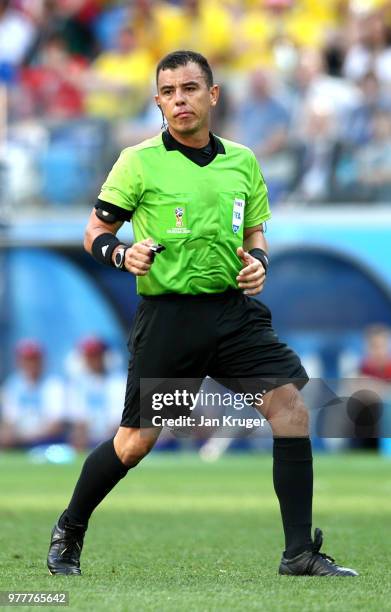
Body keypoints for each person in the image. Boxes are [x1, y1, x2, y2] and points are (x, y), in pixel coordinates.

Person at [47, 50, 357, 577]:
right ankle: (69, 529)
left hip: (233, 315)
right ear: (157, 103)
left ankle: (299, 553)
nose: (178, 100)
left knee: (291, 411)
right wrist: (123, 255)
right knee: (135, 442)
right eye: (167, 93)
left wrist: (258, 261)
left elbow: (256, 231)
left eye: (189, 89)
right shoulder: (138, 160)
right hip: (169, 318)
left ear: (212, 95)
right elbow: (95, 233)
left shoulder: (242, 160)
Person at [0, 340, 66, 448]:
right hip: (18, 441)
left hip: (47, 443)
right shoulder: (13, 385)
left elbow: (56, 426)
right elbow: (9, 422)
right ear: (19, 361)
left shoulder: (54, 384)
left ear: (42, 361)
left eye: (35, 359)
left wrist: (24, 437)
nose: (31, 364)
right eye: (27, 359)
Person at [67, 337, 126, 451]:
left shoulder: (119, 382)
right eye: (89, 356)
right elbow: (78, 420)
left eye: (96, 356)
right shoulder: (77, 384)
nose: (93, 360)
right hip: (87, 441)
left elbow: (119, 421)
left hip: (115, 440)